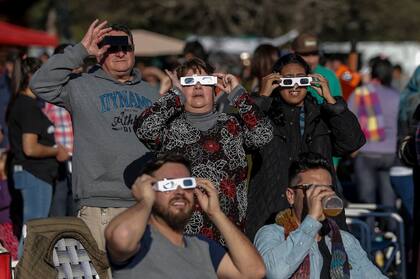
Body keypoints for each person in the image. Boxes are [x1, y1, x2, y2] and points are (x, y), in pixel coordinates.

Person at [29, 20, 158, 251]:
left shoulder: (152, 93)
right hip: (99, 206)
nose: (120, 52)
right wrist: (81, 51)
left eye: (125, 47)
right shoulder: (80, 86)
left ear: (134, 52)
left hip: (145, 203)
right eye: (111, 47)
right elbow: (39, 84)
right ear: (100, 54)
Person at [133, 57, 273, 243]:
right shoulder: (169, 128)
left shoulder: (232, 125)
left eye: (205, 81)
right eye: (189, 82)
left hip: (228, 234)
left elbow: (264, 134)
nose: (198, 87)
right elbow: (143, 128)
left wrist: (239, 95)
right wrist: (174, 94)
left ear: (214, 89)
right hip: (180, 235)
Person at [246, 53, 365, 240]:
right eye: (287, 80)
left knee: (325, 267)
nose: (294, 86)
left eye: (301, 80)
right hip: (270, 211)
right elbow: (243, 141)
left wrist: (331, 101)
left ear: (309, 81)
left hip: (320, 211)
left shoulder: (321, 115)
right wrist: (261, 98)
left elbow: (352, 142)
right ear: (275, 82)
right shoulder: (263, 116)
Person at [105, 153, 266, 279]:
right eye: (169, 184)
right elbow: (121, 237)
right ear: (148, 189)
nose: (180, 191)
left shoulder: (204, 247)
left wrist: (216, 214)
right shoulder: (141, 241)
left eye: (186, 183)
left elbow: (254, 272)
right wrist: (145, 201)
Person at [254, 152, 387, 279]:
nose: (322, 194)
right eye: (312, 188)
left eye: (327, 188)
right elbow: (274, 273)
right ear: (291, 196)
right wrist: (312, 219)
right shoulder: (271, 234)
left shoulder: (344, 240)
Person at [7, 57, 69, 255]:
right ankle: (28, 269)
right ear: (31, 77)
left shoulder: (24, 103)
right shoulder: (28, 107)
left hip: (32, 174)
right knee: (35, 228)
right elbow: (30, 148)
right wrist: (56, 150)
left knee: (34, 227)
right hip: (34, 173)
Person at [347, 57, 399, 213]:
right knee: (389, 200)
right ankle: (392, 231)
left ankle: (368, 233)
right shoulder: (397, 95)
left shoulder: (360, 93)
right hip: (391, 153)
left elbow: (348, 121)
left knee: (366, 202)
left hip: (366, 152)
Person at [291, 33, 342, 104]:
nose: (311, 60)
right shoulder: (285, 75)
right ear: (293, 53)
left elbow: (339, 108)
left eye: (315, 53)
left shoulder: (330, 76)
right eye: (305, 54)